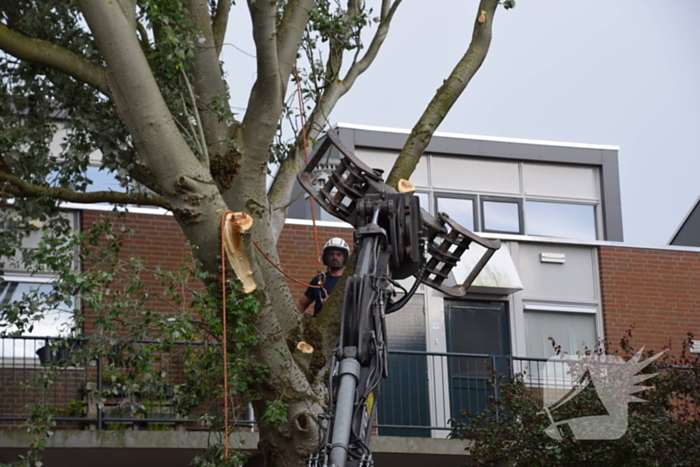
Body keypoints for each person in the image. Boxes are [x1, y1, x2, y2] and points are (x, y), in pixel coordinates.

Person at [296, 237, 349, 316]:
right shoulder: (319, 279)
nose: (335, 257)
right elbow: (302, 303)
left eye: (339, 254)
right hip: (318, 324)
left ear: (345, 257)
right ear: (326, 257)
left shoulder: (349, 280)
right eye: (331, 254)